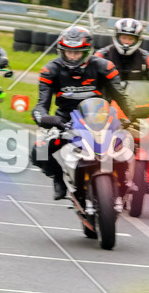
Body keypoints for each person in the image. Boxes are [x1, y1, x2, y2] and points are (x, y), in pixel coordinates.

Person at [31, 26, 137, 201]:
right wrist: (44, 118)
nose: (72, 57)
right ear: (61, 51)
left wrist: (133, 114)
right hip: (66, 121)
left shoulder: (105, 67)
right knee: (39, 152)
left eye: (77, 53)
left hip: (101, 119)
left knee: (129, 142)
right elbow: (41, 105)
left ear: (88, 51)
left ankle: (123, 180)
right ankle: (58, 178)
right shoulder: (50, 70)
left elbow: (121, 96)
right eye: (68, 52)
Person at [95, 18, 149, 177]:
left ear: (137, 39)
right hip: (108, 102)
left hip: (139, 103)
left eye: (130, 38)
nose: (126, 42)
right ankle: (98, 157)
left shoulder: (145, 58)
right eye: (124, 37)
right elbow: (91, 79)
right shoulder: (102, 55)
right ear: (117, 37)